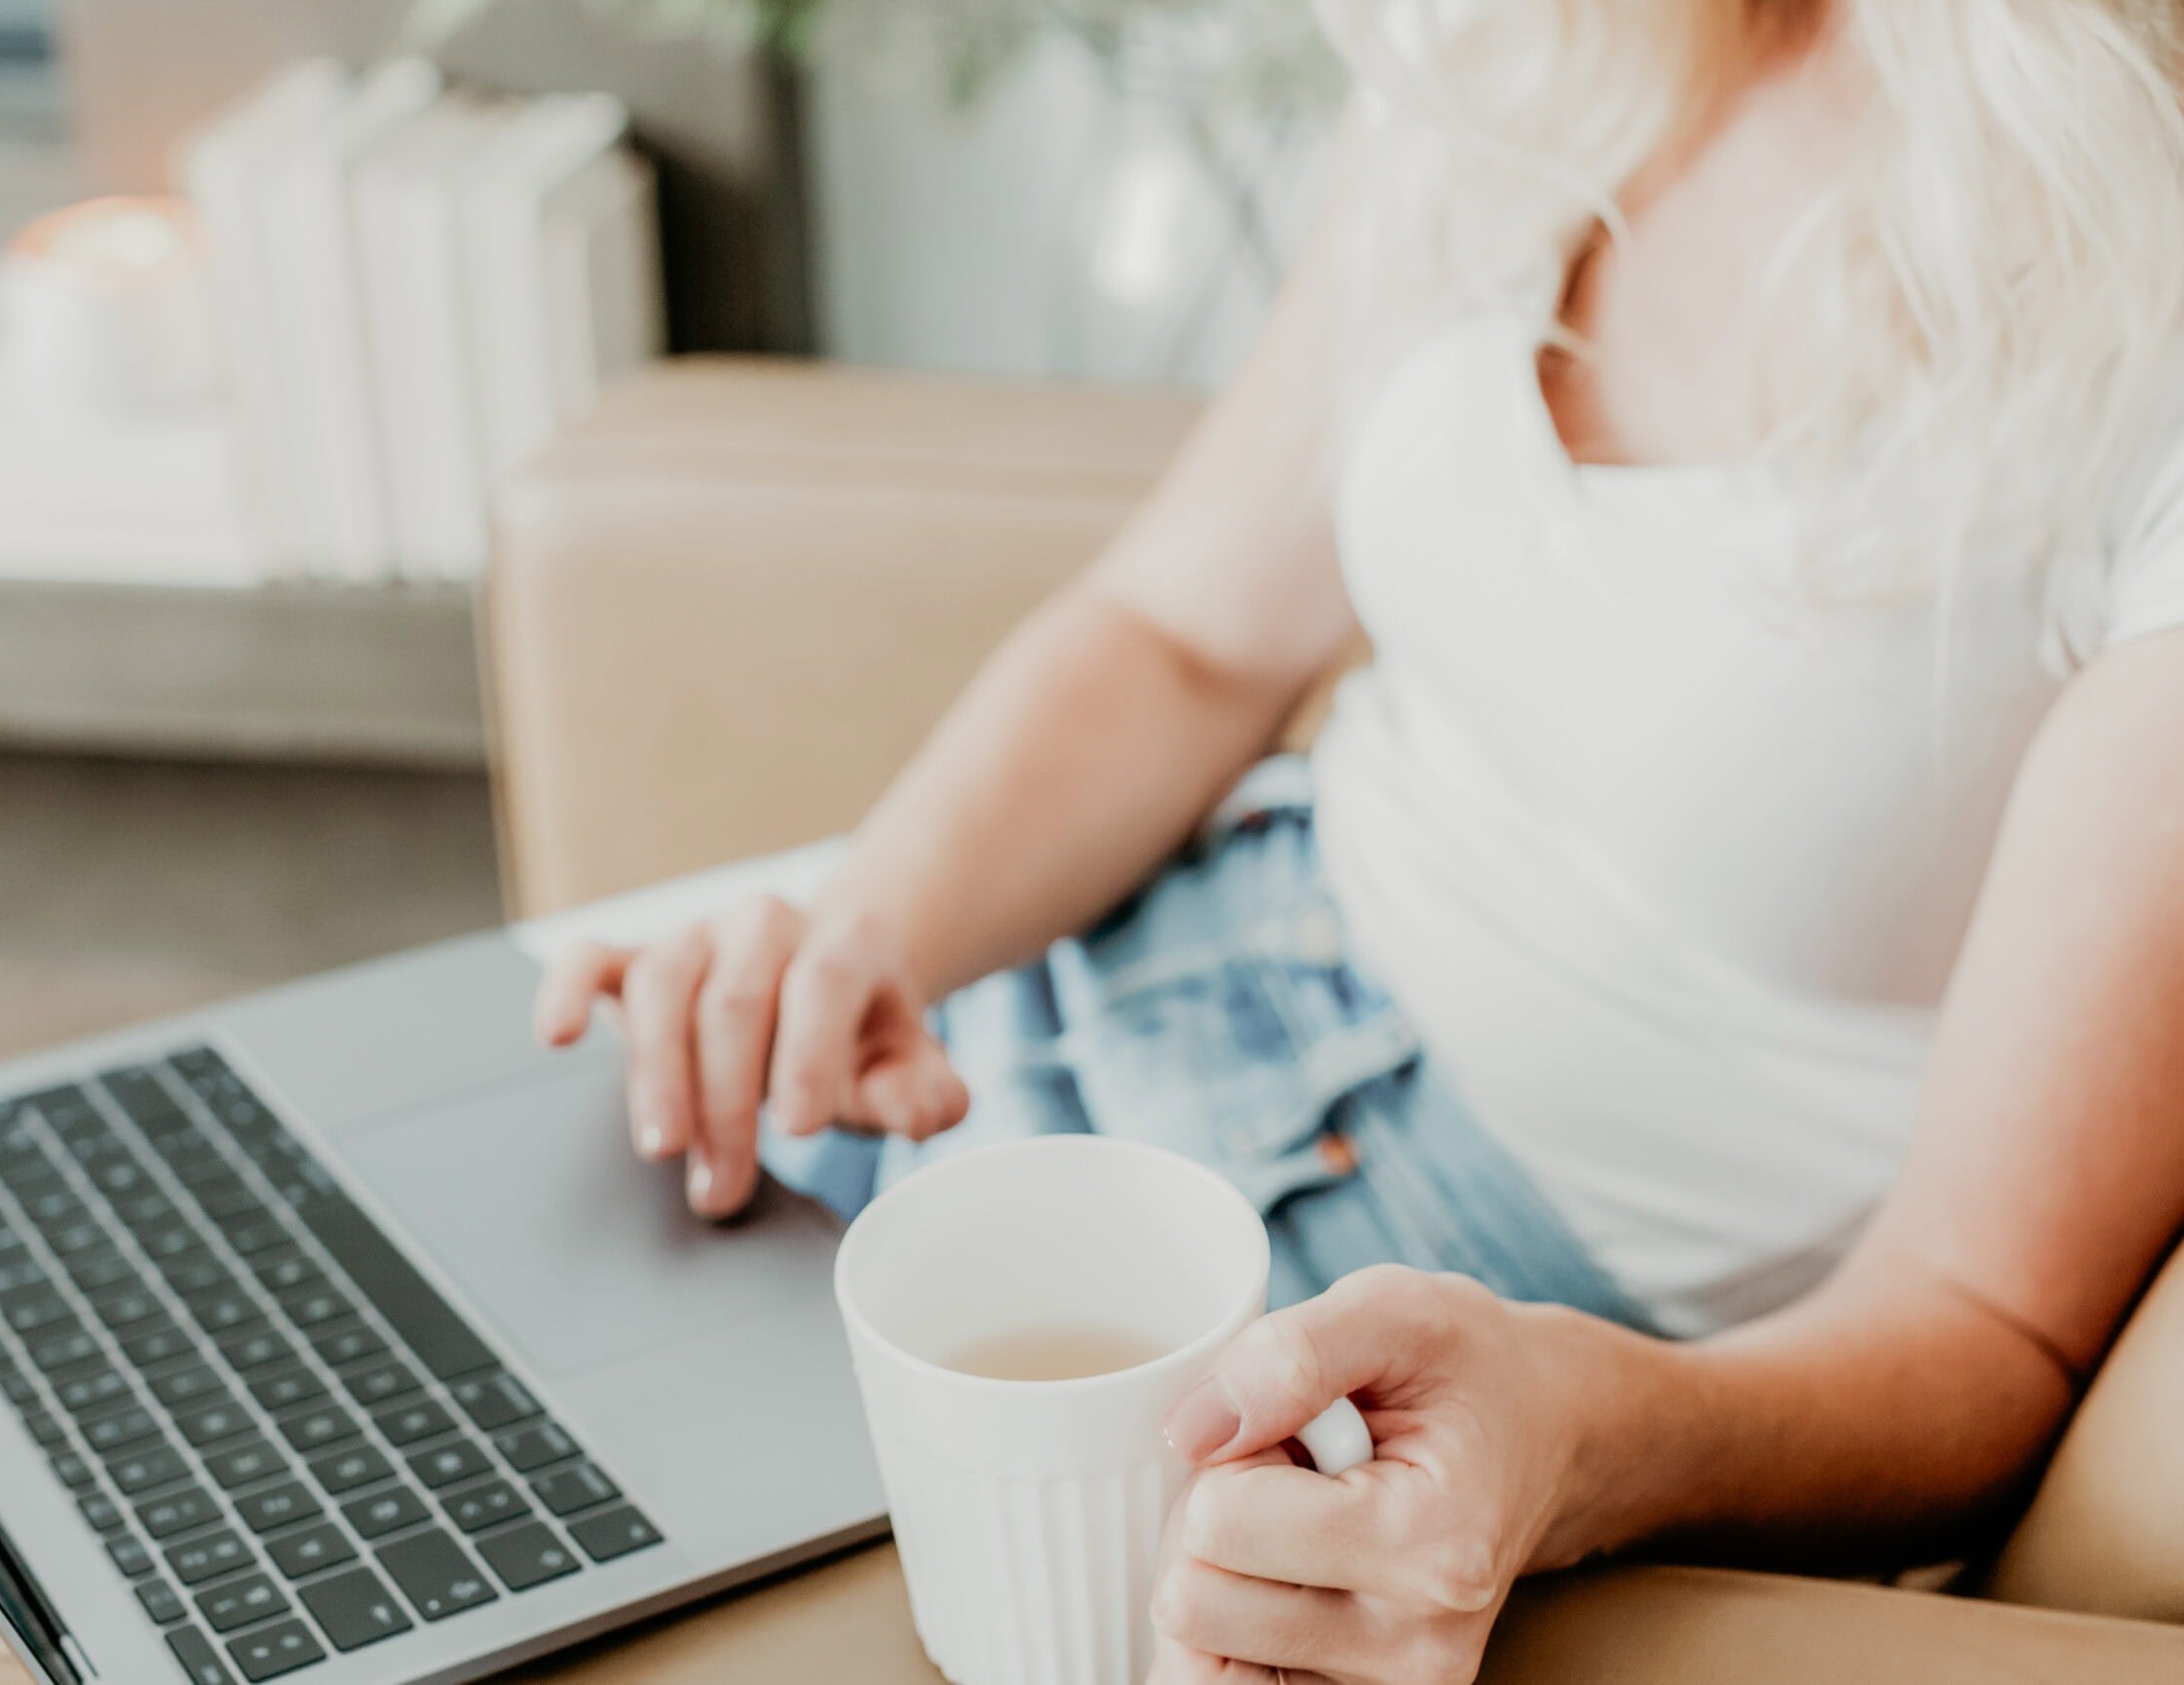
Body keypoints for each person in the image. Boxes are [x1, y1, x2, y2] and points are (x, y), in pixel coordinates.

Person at [534, 0, 2184, 1678]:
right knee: (450, 1394)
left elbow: (1989, 1325)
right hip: (1126, 970)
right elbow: (1187, 638)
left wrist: (1581, 1440)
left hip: (1442, 1326)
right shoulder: (1542, 44)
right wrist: (866, 932)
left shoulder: (2150, 307)